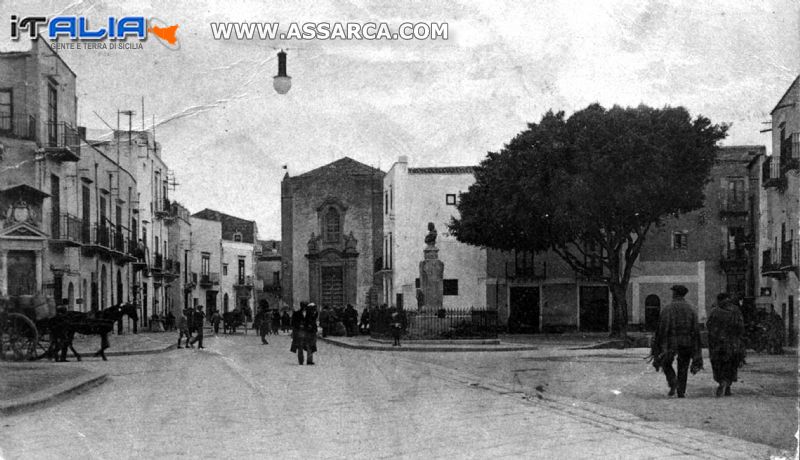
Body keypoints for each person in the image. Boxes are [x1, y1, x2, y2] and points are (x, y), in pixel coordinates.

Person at [650, 285, 703, 398]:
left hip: (670, 342)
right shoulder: (691, 308)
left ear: (675, 293)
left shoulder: (668, 308)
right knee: (683, 366)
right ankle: (681, 391)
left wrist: (658, 344)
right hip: (687, 341)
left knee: (665, 362)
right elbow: (695, 329)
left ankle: (673, 381)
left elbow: (662, 327)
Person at [707, 293, 745, 397]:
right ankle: (728, 386)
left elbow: (709, 326)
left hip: (718, 344)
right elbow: (741, 327)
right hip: (732, 344)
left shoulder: (714, 311)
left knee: (718, 364)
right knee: (731, 364)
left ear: (719, 300)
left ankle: (722, 382)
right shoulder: (736, 310)